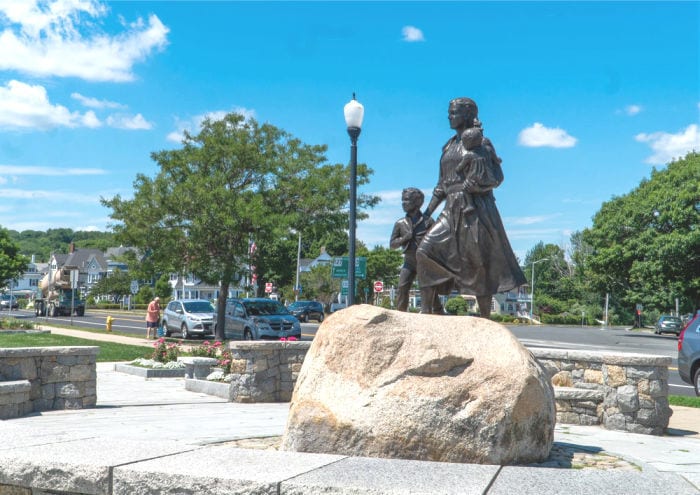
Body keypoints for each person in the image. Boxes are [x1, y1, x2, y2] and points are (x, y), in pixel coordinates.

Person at [416, 97, 527, 317]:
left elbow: (498, 177)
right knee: (424, 252)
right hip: (450, 209)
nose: (449, 116)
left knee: (479, 264)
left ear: (467, 115)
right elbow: (441, 185)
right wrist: (427, 212)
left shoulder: (482, 143)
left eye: (454, 112)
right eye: (449, 112)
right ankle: (429, 311)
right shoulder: (449, 145)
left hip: (476, 210)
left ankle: (486, 318)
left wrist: (479, 186)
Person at [390, 187, 437, 312]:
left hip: (425, 262)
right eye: (402, 201)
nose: (403, 204)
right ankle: (400, 314)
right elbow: (392, 244)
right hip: (409, 261)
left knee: (427, 288)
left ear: (417, 202)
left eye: (406, 200)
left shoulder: (428, 222)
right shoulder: (400, 223)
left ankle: (433, 311)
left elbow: (437, 242)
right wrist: (404, 238)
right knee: (402, 287)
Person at [455, 126, 484, 214]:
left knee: (465, 187)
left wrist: (480, 189)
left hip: (474, 184)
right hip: (452, 203)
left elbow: (459, 168)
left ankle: (470, 204)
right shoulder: (487, 151)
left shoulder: (484, 145)